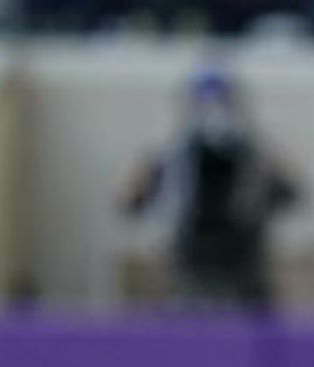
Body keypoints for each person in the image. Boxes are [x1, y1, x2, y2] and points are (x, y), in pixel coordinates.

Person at [121, 66, 299, 313]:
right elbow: (131, 204)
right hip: (192, 261)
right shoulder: (174, 154)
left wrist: (272, 167)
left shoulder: (250, 151)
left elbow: (291, 196)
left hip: (242, 263)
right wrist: (145, 174)